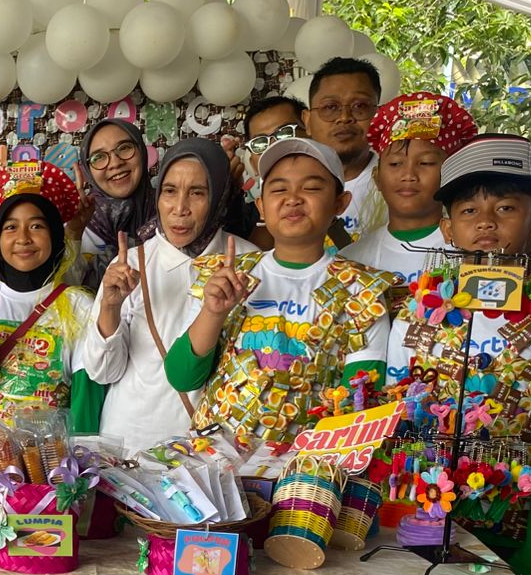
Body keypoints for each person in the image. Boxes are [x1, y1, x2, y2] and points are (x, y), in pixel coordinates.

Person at [386, 134, 531, 575]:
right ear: (447, 229)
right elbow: (395, 423)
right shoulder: (415, 312)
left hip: (512, 543)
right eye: (468, 210)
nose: (485, 221)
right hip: (414, 531)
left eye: (505, 207)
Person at [166, 138, 393, 450]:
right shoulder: (228, 275)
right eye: (279, 189)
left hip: (305, 469)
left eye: (311, 188)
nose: (293, 199)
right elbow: (181, 377)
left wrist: (311, 468)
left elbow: (359, 404)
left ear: (340, 203)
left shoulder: (361, 290)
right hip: (215, 464)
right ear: (261, 206)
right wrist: (213, 312)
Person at [84, 139, 256, 448]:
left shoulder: (249, 263)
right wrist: (110, 306)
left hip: (217, 448)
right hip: (133, 444)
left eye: (197, 193)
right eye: (170, 191)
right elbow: (102, 372)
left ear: (219, 196)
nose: (179, 208)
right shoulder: (131, 263)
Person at [0, 161, 104, 434]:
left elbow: (86, 397)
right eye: (10, 227)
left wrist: (79, 457)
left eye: (36, 226)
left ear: (55, 235)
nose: (23, 238)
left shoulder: (79, 305)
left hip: (50, 456)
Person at [346, 92, 479, 291]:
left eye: (426, 163)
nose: (408, 175)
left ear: (452, 176)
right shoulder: (351, 261)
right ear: (377, 178)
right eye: (395, 163)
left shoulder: (473, 255)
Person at [303, 57, 385, 245]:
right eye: (330, 107)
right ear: (307, 120)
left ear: (379, 115)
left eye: (360, 106)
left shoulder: (401, 184)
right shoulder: (289, 189)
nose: (344, 117)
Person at [78, 117, 155, 293]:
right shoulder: (80, 224)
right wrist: (73, 234)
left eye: (124, 148)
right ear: (88, 169)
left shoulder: (173, 211)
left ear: (142, 151)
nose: (115, 163)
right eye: (99, 157)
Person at [232, 95, 303, 249]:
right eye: (260, 143)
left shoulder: (338, 188)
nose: (273, 147)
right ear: (253, 162)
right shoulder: (248, 221)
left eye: (285, 134)